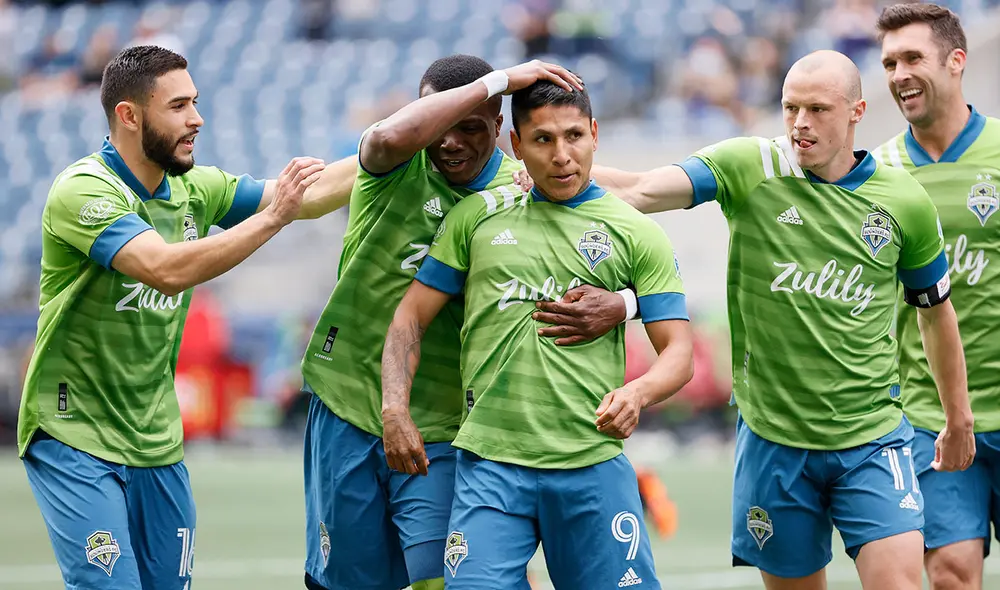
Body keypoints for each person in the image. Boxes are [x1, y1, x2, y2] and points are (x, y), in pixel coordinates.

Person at [532, 50, 975, 590]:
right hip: (773, 441)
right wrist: (523, 170)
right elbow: (638, 190)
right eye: (790, 108)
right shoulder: (750, 165)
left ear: (858, 110)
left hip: (872, 438)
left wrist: (958, 417)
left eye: (817, 109)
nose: (800, 124)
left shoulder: (903, 200)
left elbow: (934, 312)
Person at [16, 44, 356, 589]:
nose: (197, 118)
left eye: (195, 102)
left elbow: (309, 197)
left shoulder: (195, 189)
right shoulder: (83, 190)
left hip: (157, 439)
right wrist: (273, 219)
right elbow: (164, 268)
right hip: (72, 432)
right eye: (178, 106)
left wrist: (400, 146)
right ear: (129, 115)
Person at [297, 55, 634, 590]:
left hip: (443, 424)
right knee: (348, 582)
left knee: (448, 580)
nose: (451, 142)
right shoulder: (392, 161)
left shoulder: (519, 191)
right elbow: (390, 134)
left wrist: (626, 303)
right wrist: (498, 81)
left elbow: (613, 227)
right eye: (440, 122)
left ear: (501, 128)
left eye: (473, 128)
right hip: (345, 402)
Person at [382, 79, 694, 590]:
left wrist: (637, 394)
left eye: (574, 136)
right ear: (516, 146)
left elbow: (679, 353)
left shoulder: (637, 232)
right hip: (491, 466)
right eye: (543, 140)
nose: (562, 155)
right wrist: (395, 407)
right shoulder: (475, 218)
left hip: (591, 463)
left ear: (595, 133)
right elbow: (409, 319)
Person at [874, 4, 1000, 588]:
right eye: (889, 62)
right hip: (930, 418)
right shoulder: (876, 174)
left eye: (912, 58)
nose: (898, 73)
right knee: (951, 571)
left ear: (956, 62)